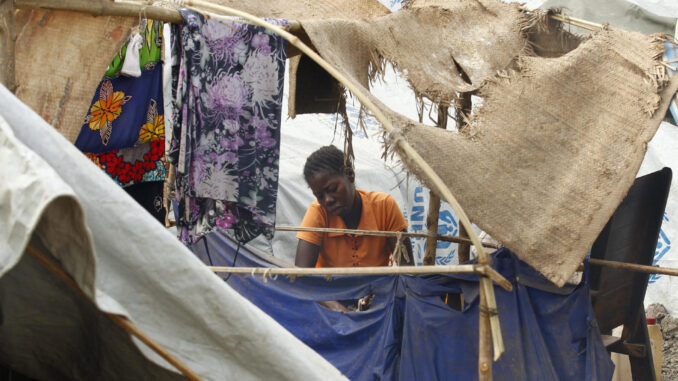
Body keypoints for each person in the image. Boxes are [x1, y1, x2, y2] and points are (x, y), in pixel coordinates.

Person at [295, 145, 413, 269]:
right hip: (331, 288)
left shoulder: (384, 206)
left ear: (350, 174)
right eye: (320, 196)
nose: (328, 200)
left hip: (378, 288)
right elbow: (301, 275)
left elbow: (407, 271)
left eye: (332, 189)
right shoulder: (318, 212)